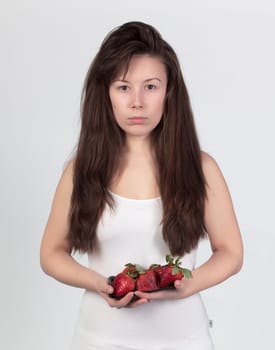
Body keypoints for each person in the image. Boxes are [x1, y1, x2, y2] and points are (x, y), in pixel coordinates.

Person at [40, 21, 243, 350]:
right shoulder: (81, 170)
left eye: (150, 86)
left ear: (169, 91)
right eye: (123, 87)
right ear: (106, 93)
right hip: (97, 341)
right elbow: (51, 253)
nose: (137, 102)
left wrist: (186, 285)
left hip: (185, 342)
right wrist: (101, 284)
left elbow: (231, 253)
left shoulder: (201, 168)